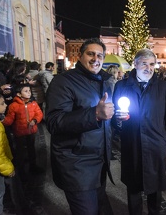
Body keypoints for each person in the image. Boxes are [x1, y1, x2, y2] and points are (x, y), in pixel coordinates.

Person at [45, 38, 115, 215]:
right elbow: (54, 122)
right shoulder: (63, 82)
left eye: (100, 55)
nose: (95, 58)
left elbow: (103, 120)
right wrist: (94, 114)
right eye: (90, 53)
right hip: (76, 164)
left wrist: (117, 119)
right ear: (80, 55)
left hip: (98, 163)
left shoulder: (104, 81)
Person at [112, 49, 166, 215]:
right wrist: (118, 119)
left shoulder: (163, 87)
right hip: (132, 144)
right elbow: (114, 119)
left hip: (156, 144)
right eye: (144, 63)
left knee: (155, 186)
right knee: (133, 187)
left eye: (152, 64)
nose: (149, 68)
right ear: (135, 64)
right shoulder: (121, 86)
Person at [3, 84, 44, 177]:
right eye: (26, 91)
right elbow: (10, 119)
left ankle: (33, 167)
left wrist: (34, 120)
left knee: (32, 150)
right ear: (19, 94)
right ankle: (21, 172)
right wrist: (3, 122)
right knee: (20, 152)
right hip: (20, 133)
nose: (29, 93)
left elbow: (39, 113)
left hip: (31, 131)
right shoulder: (14, 106)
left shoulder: (33, 103)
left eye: (29, 90)